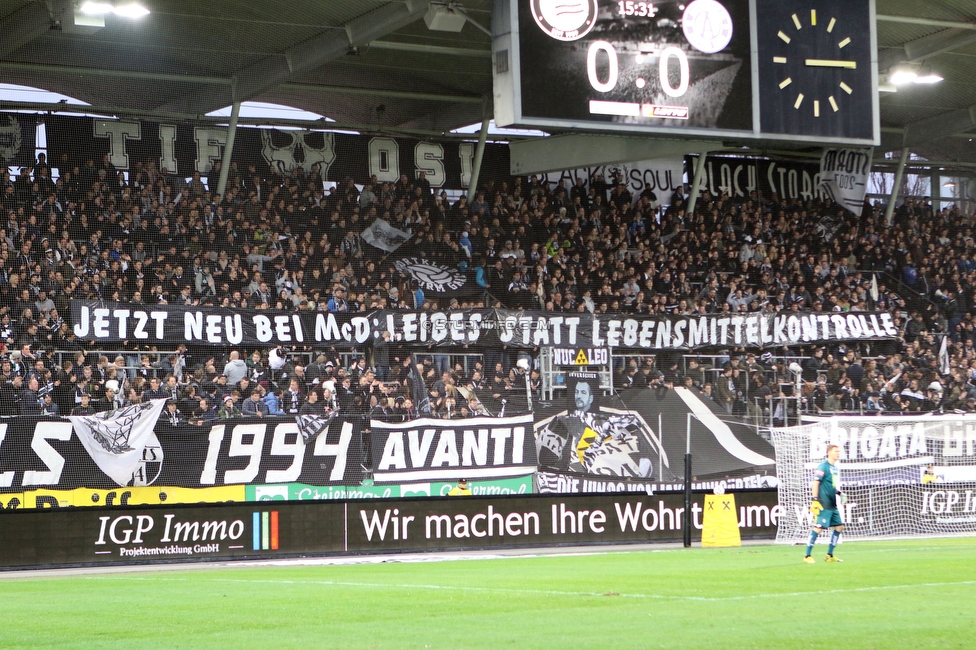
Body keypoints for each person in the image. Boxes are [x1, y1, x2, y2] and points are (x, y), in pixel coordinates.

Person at [804, 444, 844, 563]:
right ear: (829, 453)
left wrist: (840, 493)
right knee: (818, 527)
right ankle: (807, 556)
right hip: (824, 502)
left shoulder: (835, 468)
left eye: (839, 451)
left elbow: (832, 485)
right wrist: (815, 499)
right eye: (836, 451)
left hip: (832, 503)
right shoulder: (823, 466)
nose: (838, 453)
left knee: (839, 527)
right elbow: (816, 483)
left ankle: (829, 555)